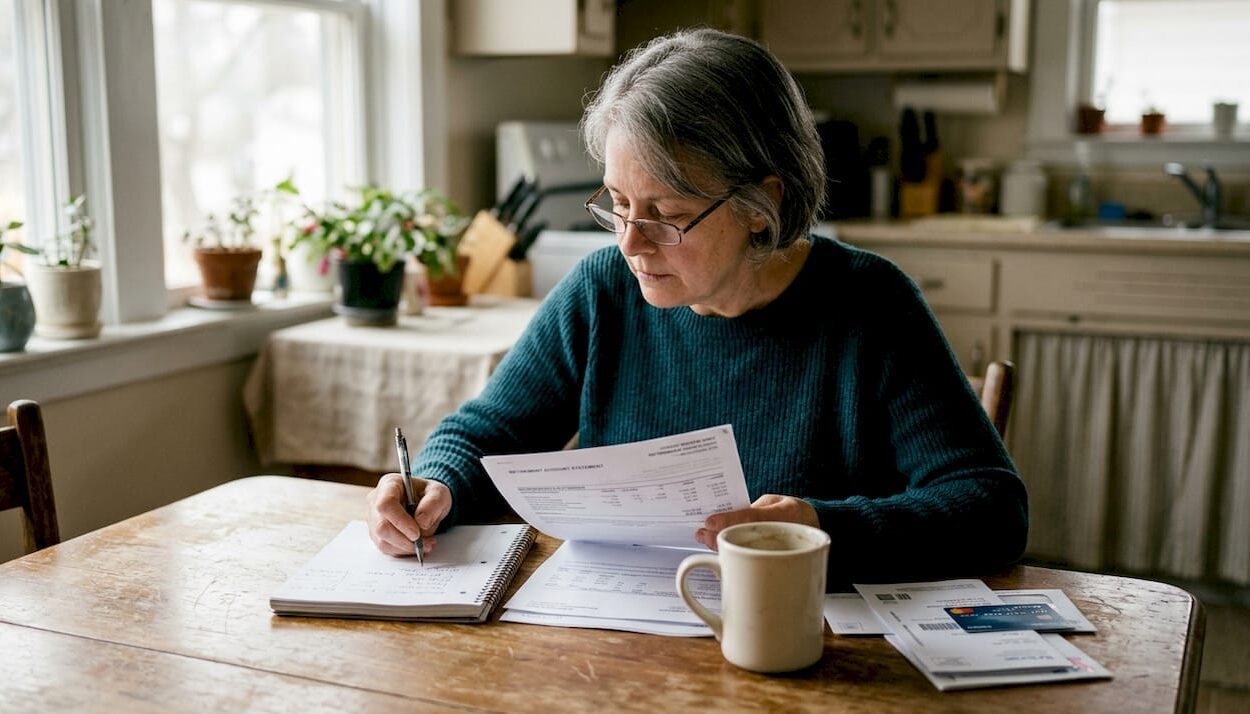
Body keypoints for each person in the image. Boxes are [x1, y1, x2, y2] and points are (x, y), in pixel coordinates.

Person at [367, 29, 1027, 585]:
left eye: (667, 215)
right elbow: (483, 435)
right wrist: (435, 483)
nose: (630, 242)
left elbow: (992, 510)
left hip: (810, 652)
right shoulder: (603, 292)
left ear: (761, 207)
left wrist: (823, 527)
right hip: (619, 653)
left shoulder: (871, 306)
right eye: (618, 205)